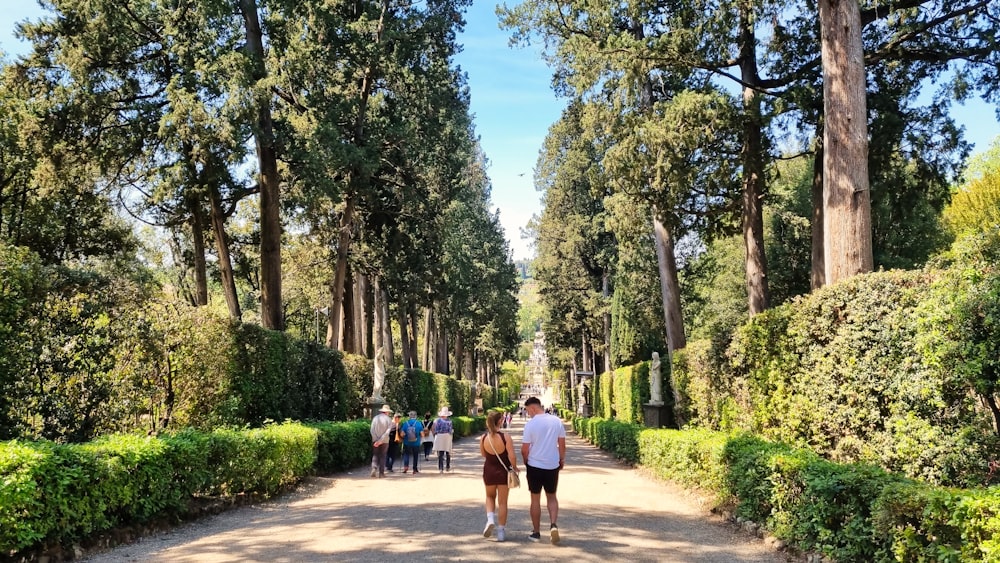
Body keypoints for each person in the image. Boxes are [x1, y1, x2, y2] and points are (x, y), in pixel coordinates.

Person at [521, 396, 566, 544]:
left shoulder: (530, 425)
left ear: (533, 408)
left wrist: (526, 461)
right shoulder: (556, 421)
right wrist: (561, 459)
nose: (528, 414)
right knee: (552, 496)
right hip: (552, 465)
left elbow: (525, 449)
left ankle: (536, 532)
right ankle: (553, 524)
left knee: (535, 499)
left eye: (528, 411)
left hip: (534, 465)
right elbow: (562, 444)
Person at [480, 410, 518, 542]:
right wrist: (515, 467)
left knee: (489, 496)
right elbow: (511, 456)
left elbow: (484, 455)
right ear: (500, 421)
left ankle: (490, 519)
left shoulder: (484, 438)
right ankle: (501, 532)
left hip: (489, 470)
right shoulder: (505, 437)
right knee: (503, 502)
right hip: (503, 472)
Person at [369, 404, 395, 478]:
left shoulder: (375, 418)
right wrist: (381, 440)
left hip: (375, 440)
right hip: (385, 441)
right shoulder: (389, 420)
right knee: (383, 456)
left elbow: (372, 430)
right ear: (387, 412)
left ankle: (374, 468)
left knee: (375, 454)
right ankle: (381, 473)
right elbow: (387, 431)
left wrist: (376, 439)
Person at [432, 406, 455, 473]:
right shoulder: (449, 421)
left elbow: (436, 430)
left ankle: (441, 468)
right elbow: (450, 430)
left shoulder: (437, 420)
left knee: (440, 453)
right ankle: (447, 466)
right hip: (447, 437)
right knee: (448, 452)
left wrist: (436, 434)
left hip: (439, 437)